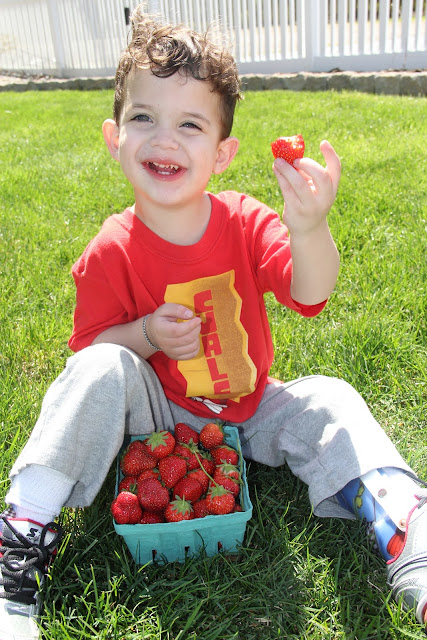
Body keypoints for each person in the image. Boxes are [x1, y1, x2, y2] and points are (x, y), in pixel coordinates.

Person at [1, 5, 426, 639]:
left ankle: (408, 540)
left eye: (190, 124)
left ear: (223, 152)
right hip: (160, 417)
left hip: (251, 408)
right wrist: (144, 334)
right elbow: (88, 356)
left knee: (332, 398)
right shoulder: (110, 250)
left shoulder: (242, 219)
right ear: (114, 136)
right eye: (143, 117)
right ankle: (21, 541)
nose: (164, 138)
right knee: (99, 366)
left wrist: (309, 228)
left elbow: (310, 291)